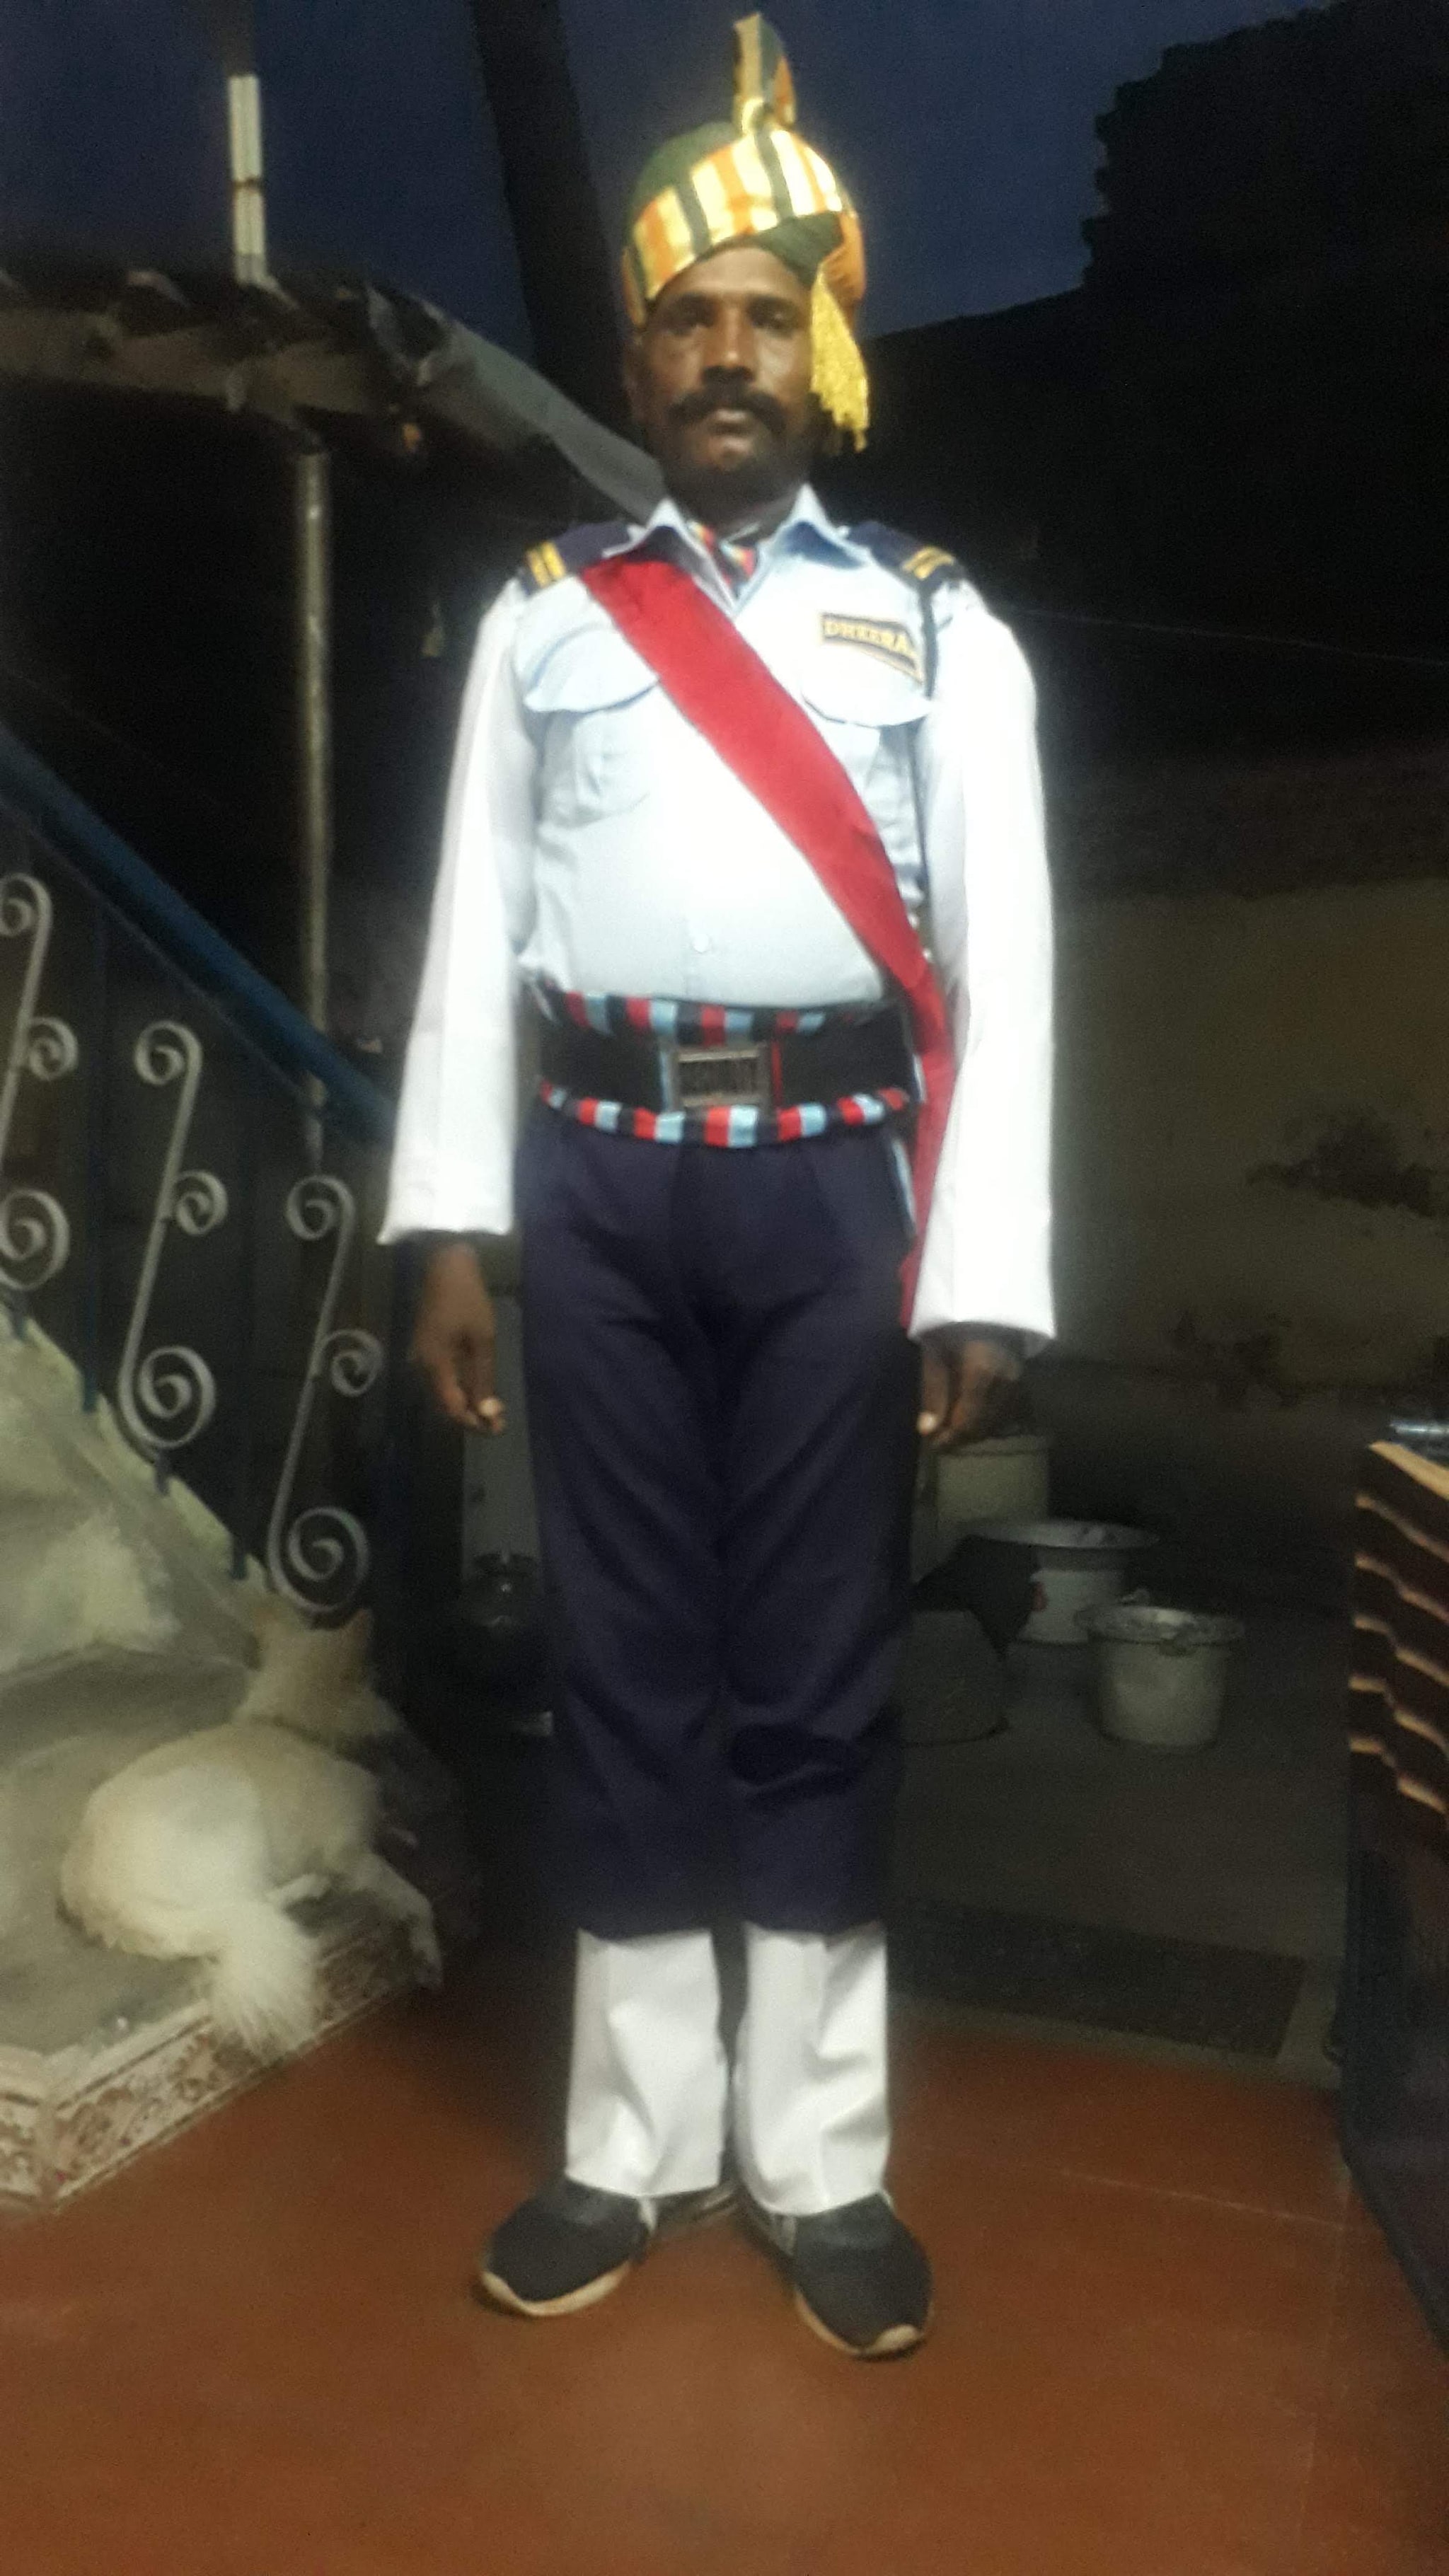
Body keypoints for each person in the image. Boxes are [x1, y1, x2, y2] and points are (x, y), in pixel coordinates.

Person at [381, 13, 1053, 2360]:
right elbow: (471, 932)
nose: (730, 354)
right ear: (641, 361)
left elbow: (1010, 969)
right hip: (594, 1187)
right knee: (626, 1660)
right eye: (690, 320)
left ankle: (823, 2160)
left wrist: (980, 1269)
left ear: (820, 351)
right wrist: (452, 1229)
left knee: (822, 1671)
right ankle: (629, 2144)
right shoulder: (547, 616)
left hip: (831, 1196)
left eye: (768, 315)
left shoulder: (936, 622)